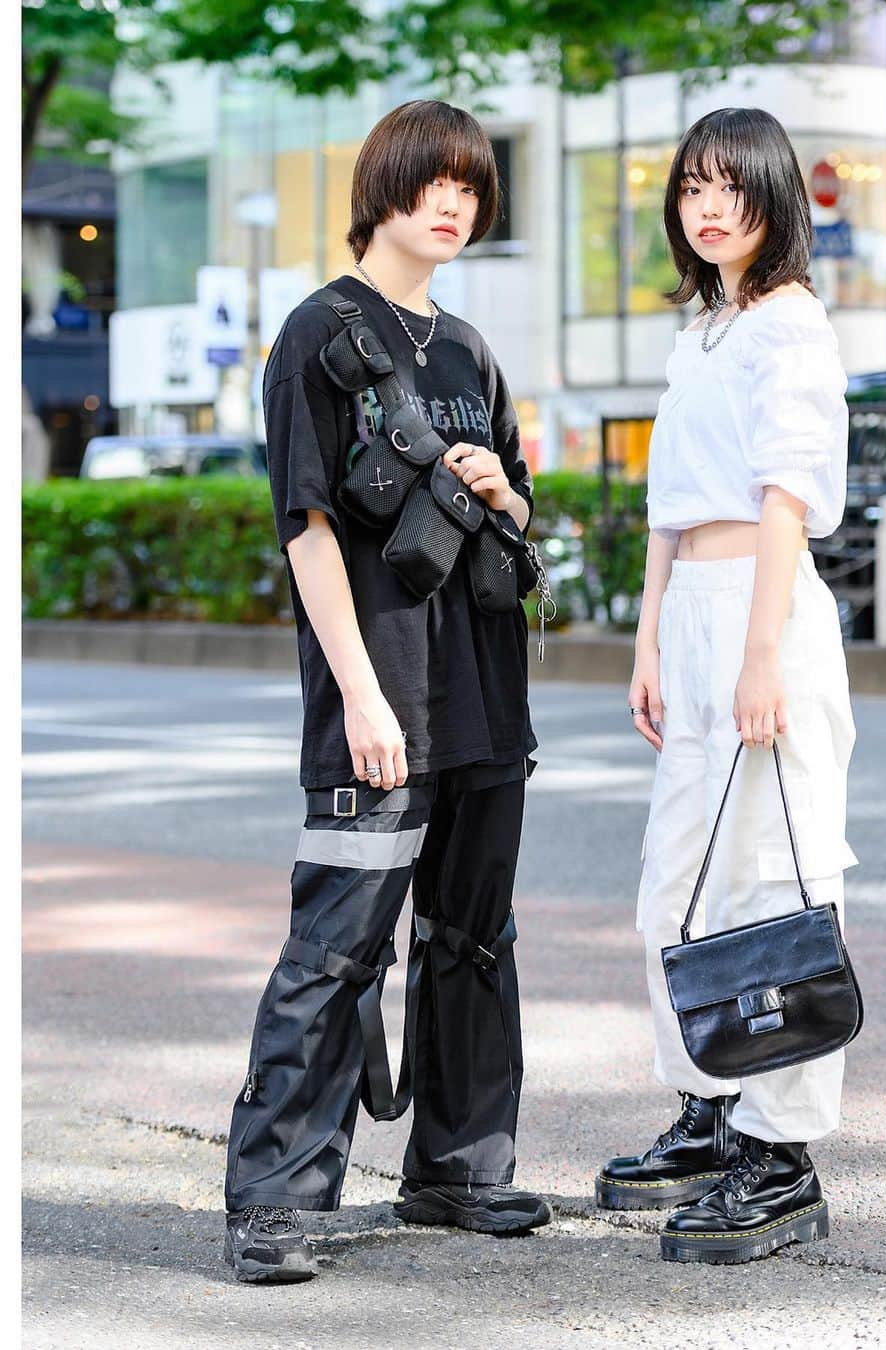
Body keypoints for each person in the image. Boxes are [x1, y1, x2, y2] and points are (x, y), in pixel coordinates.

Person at [222, 99, 550, 1283]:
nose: (454, 203)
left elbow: (515, 508)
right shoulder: (320, 333)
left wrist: (500, 493)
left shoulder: (469, 347)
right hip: (383, 696)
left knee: (471, 941)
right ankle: (274, 1200)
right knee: (337, 949)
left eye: (471, 185)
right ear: (384, 188)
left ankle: (461, 1167)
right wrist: (360, 695)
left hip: (487, 696)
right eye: (433, 181)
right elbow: (306, 529)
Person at [594, 107, 859, 1266]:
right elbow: (667, 506)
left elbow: (785, 495)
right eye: (693, 189)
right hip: (695, 614)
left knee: (771, 882)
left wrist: (759, 656)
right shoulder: (702, 331)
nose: (709, 208)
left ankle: (784, 1151)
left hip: (765, 607)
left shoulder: (789, 326)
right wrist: (651, 639)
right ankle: (711, 1107)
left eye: (732, 189)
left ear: (773, 200)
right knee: (678, 886)